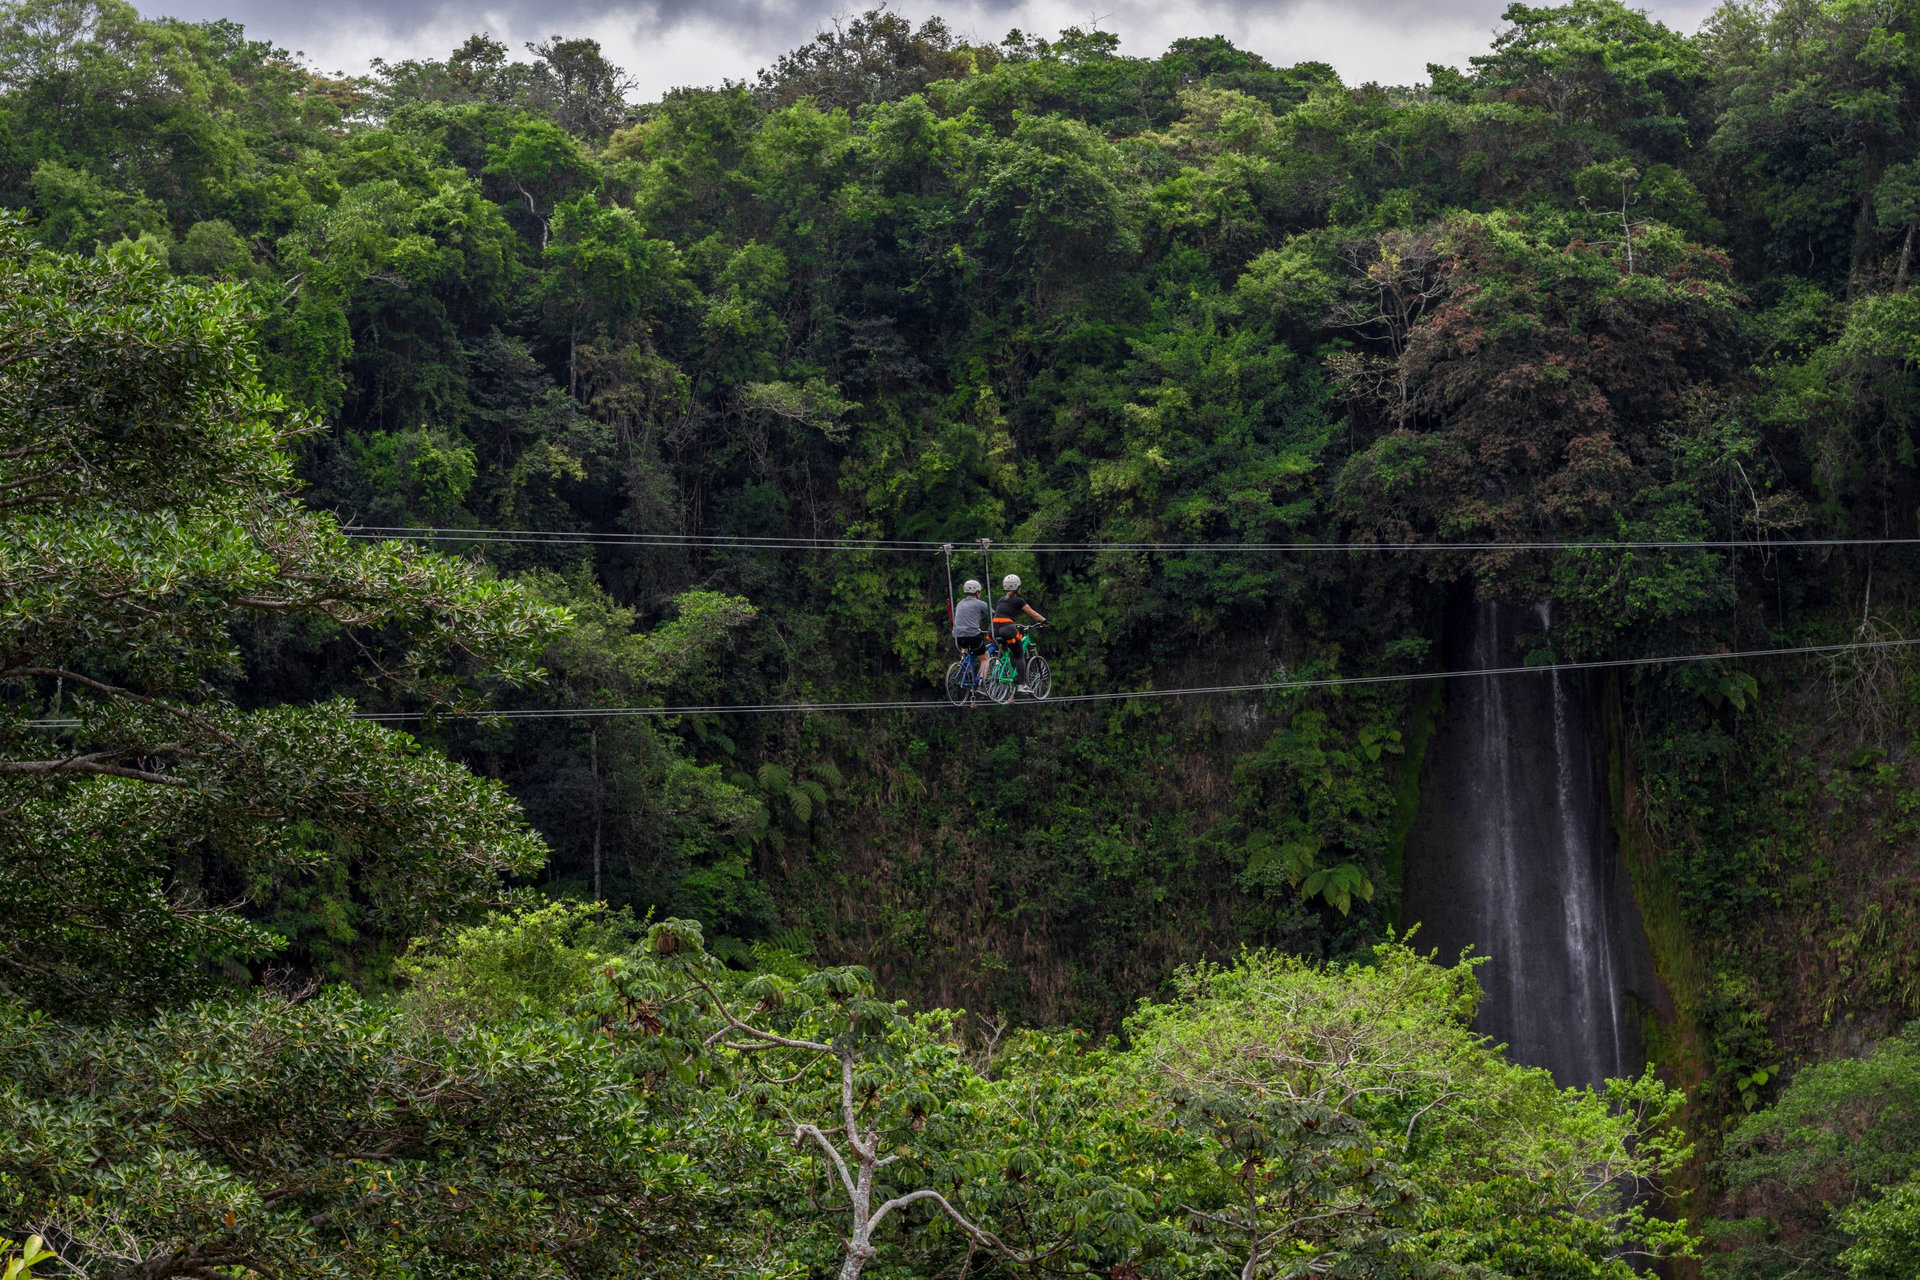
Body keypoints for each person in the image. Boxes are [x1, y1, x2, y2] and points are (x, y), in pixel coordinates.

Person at [991, 574, 1046, 692]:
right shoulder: (1019, 601)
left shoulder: (1001, 599)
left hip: (994, 629)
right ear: (1017, 588)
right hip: (1007, 628)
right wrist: (1044, 621)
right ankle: (1022, 685)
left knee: (1004, 647)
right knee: (1019, 655)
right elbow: (1033, 613)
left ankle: (997, 669)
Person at [950, 579, 991, 687]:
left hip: (958, 637)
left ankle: (963, 660)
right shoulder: (980, 604)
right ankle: (982, 681)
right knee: (985, 658)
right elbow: (994, 616)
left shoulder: (959, 604)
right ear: (977, 592)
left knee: (966, 646)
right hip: (972, 636)